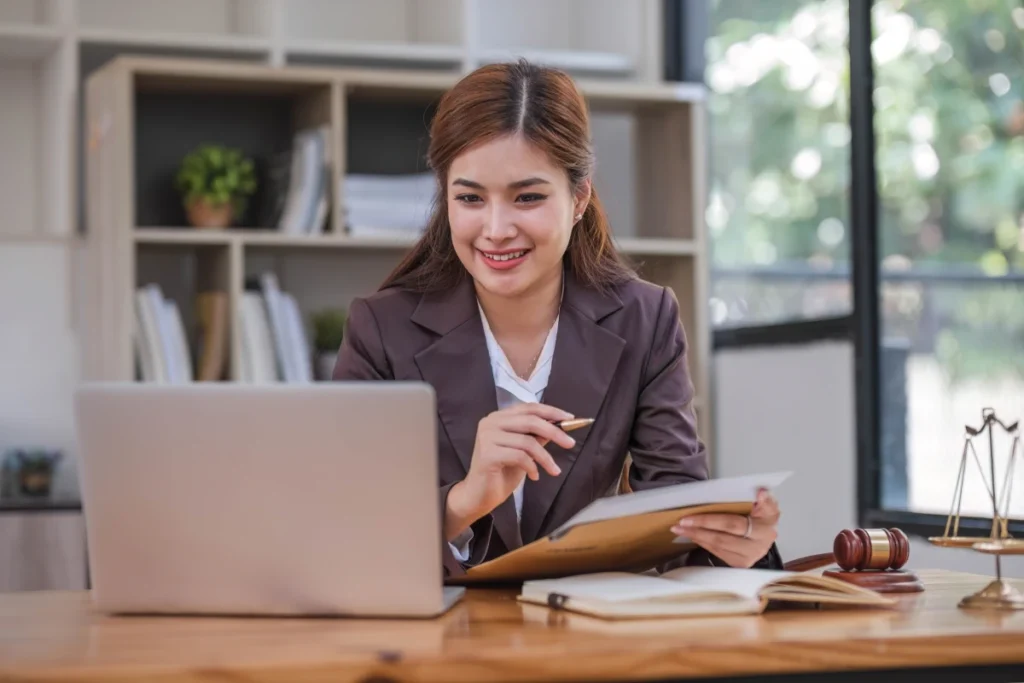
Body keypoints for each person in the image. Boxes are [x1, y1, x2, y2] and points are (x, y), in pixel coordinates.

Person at [333, 59, 783, 580]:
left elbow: (673, 520)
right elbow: (345, 527)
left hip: (583, 634)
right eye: (470, 198)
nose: (497, 229)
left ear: (578, 199)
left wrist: (737, 545)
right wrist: (463, 501)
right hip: (432, 634)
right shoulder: (381, 329)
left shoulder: (644, 318)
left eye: (528, 197)